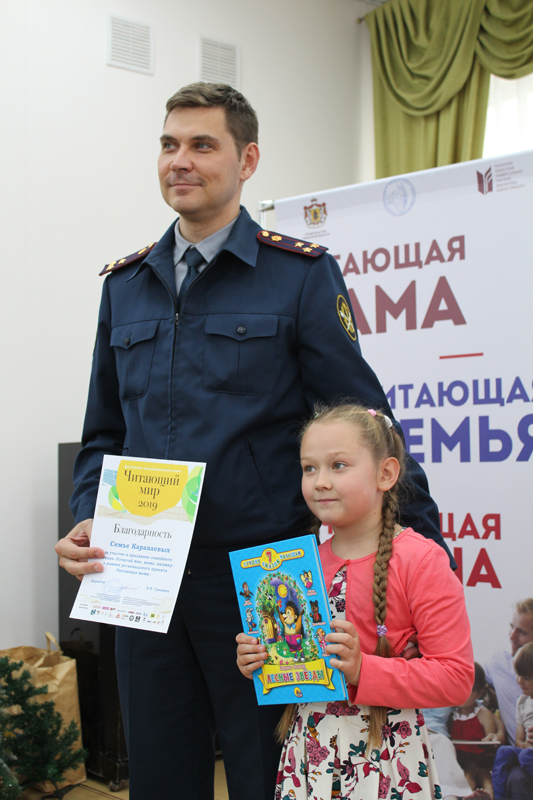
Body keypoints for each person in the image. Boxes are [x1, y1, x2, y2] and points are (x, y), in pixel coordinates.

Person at [55, 83, 452, 800]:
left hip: (266, 578)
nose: (180, 160)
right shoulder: (125, 285)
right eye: (169, 144)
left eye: (202, 145)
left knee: (269, 776)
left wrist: (423, 548)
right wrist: (87, 514)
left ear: (247, 161)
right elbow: (103, 433)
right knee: (159, 776)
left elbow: (363, 418)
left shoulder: (298, 275)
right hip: (141, 577)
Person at [237, 404, 474, 799]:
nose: (320, 482)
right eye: (309, 468)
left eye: (338, 465)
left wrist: (364, 669)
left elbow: (455, 678)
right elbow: (296, 664)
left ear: (386, 474)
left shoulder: (421, 560)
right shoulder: (297, 566)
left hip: (386, 759)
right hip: (309, 756)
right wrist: (261, 658)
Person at [450, 663, 501, 799]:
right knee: (468, 775)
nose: (462, 693)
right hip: (462, 762)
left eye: (468, 689)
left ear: (479, 693)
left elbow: (491, 745)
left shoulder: (484, 714)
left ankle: (487, 796)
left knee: (485, 778)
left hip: (482, 761)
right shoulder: (451, 715)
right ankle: (468, 795)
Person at [485, 600, 533, 744]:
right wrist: (499, 727)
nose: (512, 636)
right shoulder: (498, 663)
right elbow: (473, 692)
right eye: (512, 627)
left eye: (522, 632)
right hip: (519, 752)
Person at [492, 642, 533, 800]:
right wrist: (525, 745)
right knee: (504, 752)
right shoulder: (522, 702)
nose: (519, 681)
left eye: (526, 678)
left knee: (525, 757)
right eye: (518, 675)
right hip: (528, 753)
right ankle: (498, 797)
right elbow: (518, 740)